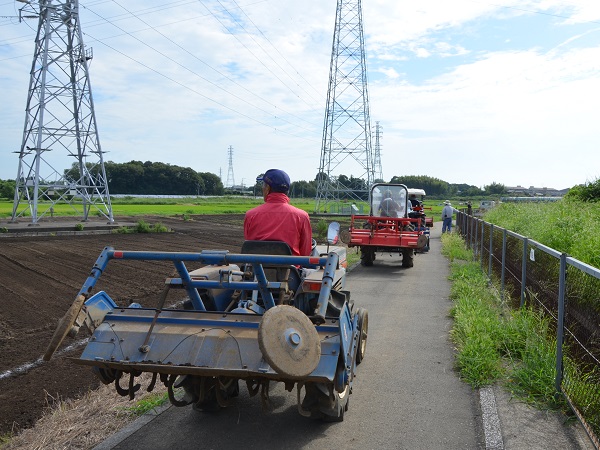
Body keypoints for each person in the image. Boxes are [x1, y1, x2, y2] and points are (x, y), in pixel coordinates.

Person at [244, 169, 313, 256]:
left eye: (263, 185)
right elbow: (305, 253)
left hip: (256, 268)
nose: (262, 188)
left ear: (267, 188)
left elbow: (248, 247)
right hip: (290, 268)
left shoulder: (251, 215)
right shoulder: (302, 216)